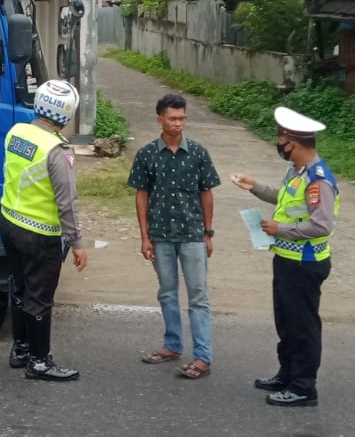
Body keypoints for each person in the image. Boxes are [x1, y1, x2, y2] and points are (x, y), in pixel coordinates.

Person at [230, 106, 338, 408]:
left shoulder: (318, 180)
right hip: (287, 260)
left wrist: (281, 229)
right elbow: (285, 197)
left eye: (282, 140)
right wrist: (255, 188)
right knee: (286, 322)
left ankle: (304, 387)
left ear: (294, 142)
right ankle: (287, 374)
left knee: (303, 326)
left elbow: (321, 224)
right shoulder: (298, 171)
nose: (279, 146)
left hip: (305, 263)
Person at [1, 79, 88, 382]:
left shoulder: (16, 132)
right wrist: (77, 242)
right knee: (40, 295)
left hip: (9, 221)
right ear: (66, 114)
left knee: (20, 287)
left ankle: (21, 348)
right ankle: (39, 362)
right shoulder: (57, 150)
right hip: (40, 233)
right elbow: (67, 202)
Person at [129, 93, 220, 380]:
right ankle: (172, 345)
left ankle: (203, 357)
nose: (178, 123)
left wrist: (208, 233)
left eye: (182, 118)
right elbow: (141, 196)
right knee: (167, 293)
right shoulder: (146, 154)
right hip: (160, 236)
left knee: (198, 297)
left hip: (193, 235)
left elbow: (207, 193)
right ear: (160, 120)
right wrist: (145, 237)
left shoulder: (198, 152)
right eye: (173, 118)